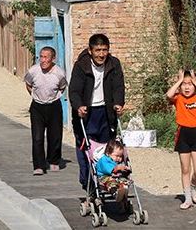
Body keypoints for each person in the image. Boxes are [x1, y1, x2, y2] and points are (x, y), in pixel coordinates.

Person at [69, 34, 126, 190]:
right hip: (87, 113)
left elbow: (118, 87)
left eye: (105, 50)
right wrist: (79, 105)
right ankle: (87, 182)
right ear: (90, 50)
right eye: (98, 50)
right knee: (86, 147)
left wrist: (118, 103)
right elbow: (74, 90)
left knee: (108, 148)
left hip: (106, 112)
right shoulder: (81, 66)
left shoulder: (113, 64)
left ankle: (109, 182)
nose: (101, 54)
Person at [167, 69, 196, 210]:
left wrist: (195, 81)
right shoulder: (178, 98)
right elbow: (168, 95)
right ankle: (187, 198)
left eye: (190, 84)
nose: (187, 87)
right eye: (184, 84)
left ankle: (193, 187)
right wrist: (179, 81)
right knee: (185, 169)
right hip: (183, 134)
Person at [24, 46, 67, 175]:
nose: (42, 60)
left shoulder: (59, 73)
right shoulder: (33, 71)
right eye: (41, 57)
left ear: (53, 59)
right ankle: (39, 165)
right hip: (37, 106)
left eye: (46, 57)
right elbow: (28, 84)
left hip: (54, 105)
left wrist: (54, 97)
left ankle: (53, 161)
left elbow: (62, 87)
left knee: (55, 135)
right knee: (37, 137)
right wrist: (34, 95)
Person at [95, 139, 132, 203]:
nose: (119, 158)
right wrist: (118, 168)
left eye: (120, 156)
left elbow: (120, 170)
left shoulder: (117, 161)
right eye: (117, 156)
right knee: (111, 182)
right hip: (104, 177)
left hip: (116, 177)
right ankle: (116, 193)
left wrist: (126, 169)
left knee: (124, 180)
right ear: (108, 153)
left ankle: (123, 189)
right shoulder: (104, 160)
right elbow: (111, 169)